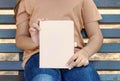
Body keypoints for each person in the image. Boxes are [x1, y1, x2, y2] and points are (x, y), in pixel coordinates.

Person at [14, 0, 103, 81]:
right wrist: (36, 42)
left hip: (74, 56)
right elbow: (20, 39)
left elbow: (96, 36)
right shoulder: (27, 2)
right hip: (39, 55)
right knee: (44, 78)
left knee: (86, 78)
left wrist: (85, 53)